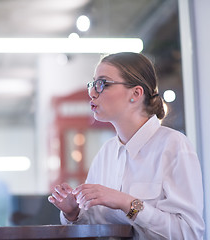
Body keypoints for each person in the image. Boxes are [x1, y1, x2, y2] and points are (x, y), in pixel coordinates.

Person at [48, 52, 205, 239]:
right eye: (93, 84)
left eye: (102, 84)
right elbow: (94, 228)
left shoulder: (173, 145)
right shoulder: (106, 152)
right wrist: (72, 213)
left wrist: (127, 202)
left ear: (136, 93)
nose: (92, 92)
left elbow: (189, 233)